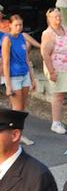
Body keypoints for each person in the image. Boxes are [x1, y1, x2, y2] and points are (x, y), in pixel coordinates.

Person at [40, 8, 67, 134]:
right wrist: (51, 72)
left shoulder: (65, 28)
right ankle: (56, 123)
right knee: (58, 96)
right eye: (55, 17)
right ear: (49, 19)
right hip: (59, 69)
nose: (58, 19)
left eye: (59, 16)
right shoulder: (48, 34)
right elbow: (45, 54)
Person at [2, 15, 36, 145]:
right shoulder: (7, 40)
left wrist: (32, 78)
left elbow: (27, 59)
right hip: (14, 77)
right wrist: (8, 85)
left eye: (20, 25)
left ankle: (12, 131)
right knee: (17, 108)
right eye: (16, 25)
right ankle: (18, 135)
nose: (19, 27)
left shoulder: (22, 37)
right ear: (10, 25)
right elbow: (5, 62)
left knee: (21, 107)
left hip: (25, 75)